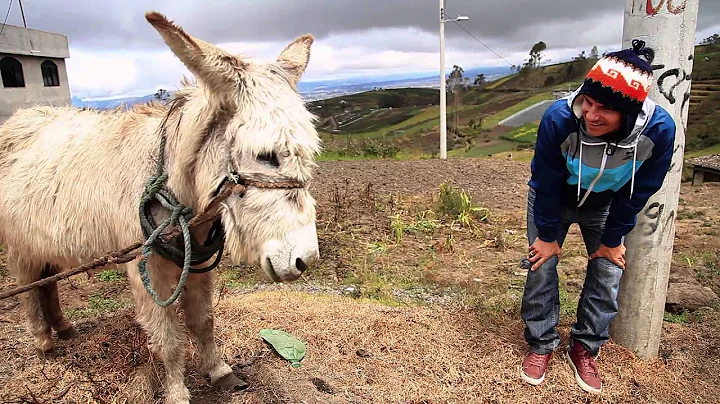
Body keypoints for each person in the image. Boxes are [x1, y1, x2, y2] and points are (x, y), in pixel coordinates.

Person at [519, 40, 676, 393]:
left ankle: (584, 348)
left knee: (608, 269)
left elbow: (641, 189)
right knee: (540, 265)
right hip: (555, 197)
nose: (591, 115)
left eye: (604, 109)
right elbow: (544, 180)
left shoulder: (659, 132)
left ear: (630, 113)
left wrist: (612, 239)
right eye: (588, 102)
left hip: (606, 203)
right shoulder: (560, 118)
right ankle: (542, 343)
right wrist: (546, 236)